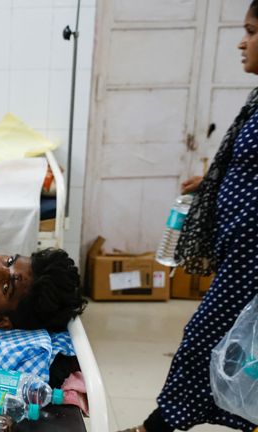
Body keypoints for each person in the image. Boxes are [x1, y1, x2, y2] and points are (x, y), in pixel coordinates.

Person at [122, 4, 258, 431]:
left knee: (206, 337)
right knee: (232, 344)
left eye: (252, 32)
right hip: (241, 255)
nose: (241, 42)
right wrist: (214, 182)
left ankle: (158, 425)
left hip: (252, 261)